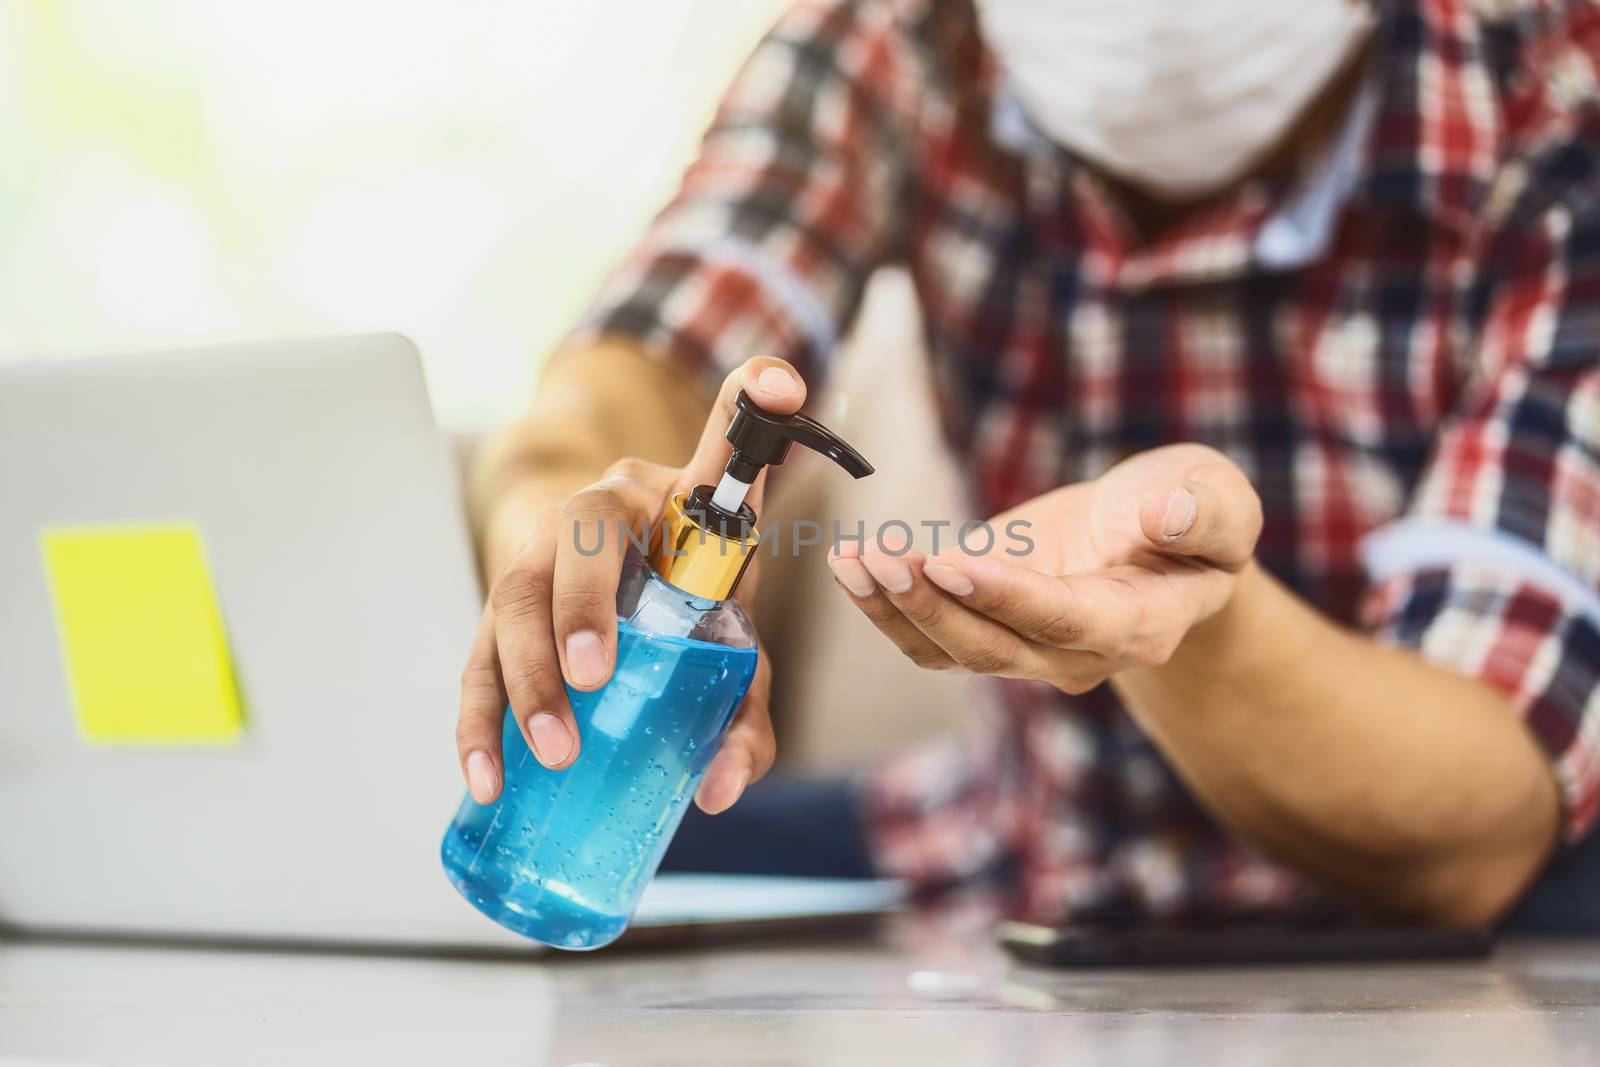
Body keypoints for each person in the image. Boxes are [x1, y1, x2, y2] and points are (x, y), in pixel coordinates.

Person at [454, 0, 1600, 932]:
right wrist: (571, 512)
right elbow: (645, 350)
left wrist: (1188, 619)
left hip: (1415, 887)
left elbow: (1479, 826)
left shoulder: (1556, 102)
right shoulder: (902, 38)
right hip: (1013, 834)